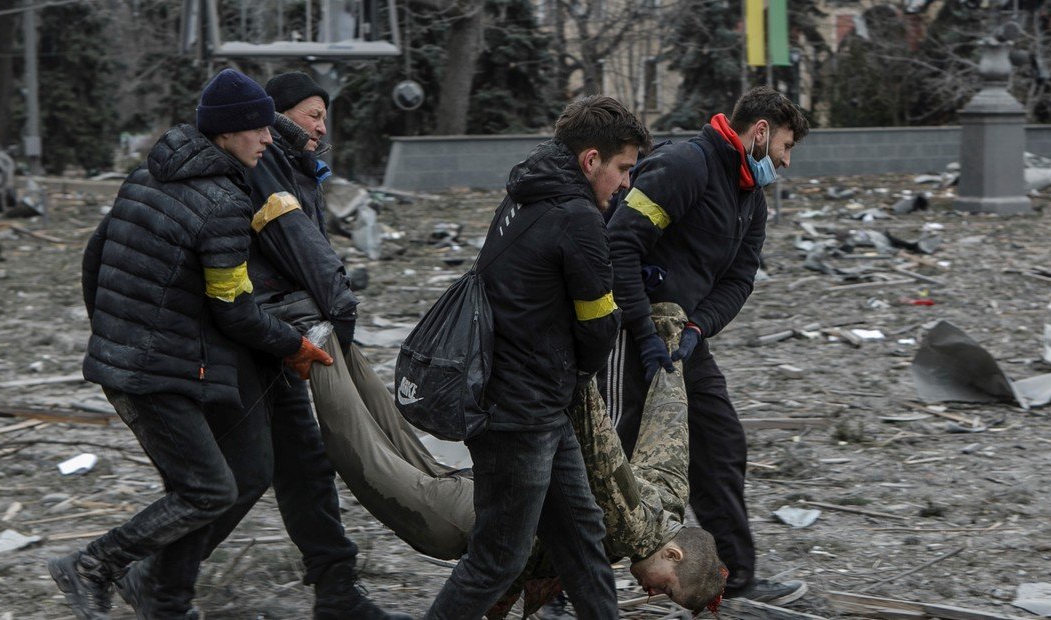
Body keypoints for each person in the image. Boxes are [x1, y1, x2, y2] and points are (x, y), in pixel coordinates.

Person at [47, 68, 332, 620]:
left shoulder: (144, 178)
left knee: (244, 473)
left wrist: (109, 330)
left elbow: (94, 259)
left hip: (159, 360)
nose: (269, 138)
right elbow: (235, 309)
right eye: (258, 129)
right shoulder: (225, 203)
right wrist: (294, 344)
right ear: (227, 132)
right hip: (158, 372)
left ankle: (164, 600)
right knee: (205, 491)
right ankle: (95, 565)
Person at [297, 303, 724, 617]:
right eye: (664, 590)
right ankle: (314, 336)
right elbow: (598, 448)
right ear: (673, 555)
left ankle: (333, 327)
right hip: (462, 523)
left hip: (481, 491)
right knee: (362, 456)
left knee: (391, 433)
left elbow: (669, 422)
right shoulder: (632, 525)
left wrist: (669, 331)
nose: (649, 593)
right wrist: (573, 372)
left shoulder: (669, 496)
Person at [423, 95, 650, 620]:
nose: (626, 185)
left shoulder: (525, 195)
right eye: (622, 169)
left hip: (540, 403)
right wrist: (578, 371)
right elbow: (599, 327)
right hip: (517, 414)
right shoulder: (578, 219)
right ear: (590, 160)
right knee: (498, 560)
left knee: (582, 537)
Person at [200, 69, 402, 619]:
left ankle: (336, 591)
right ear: (277, 114)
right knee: (244, 474)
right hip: (250, 337)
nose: (320, 127)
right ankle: (149, 572)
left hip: (275, 334)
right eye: (313, 115)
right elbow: (299, 245)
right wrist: (341, 309)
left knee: (304, 467)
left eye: (324, 117)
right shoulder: (265, 160)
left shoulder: (291, 164)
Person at [601, 85, 810, 606]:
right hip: (627, 335)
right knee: (609, 460)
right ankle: (560, 581)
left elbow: (739, 281)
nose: (785, 162)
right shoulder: (684, 166)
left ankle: (733, 579)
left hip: (683, 341)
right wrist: (643, 332)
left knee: (722, 446)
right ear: (759, 133)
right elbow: (619, 244)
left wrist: (697, 330)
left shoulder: (750, 200)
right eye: (785, 147)